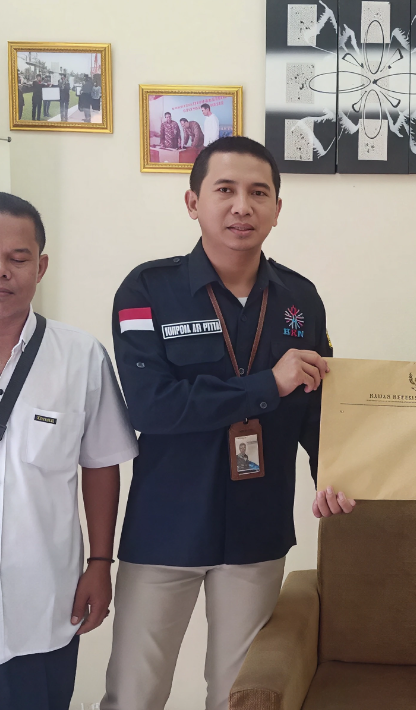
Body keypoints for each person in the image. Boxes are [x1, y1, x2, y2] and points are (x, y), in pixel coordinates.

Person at [101, 137, 354, 710]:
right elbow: (151, 407)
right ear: (193, 202)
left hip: (257, 530)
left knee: (244, 695)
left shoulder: (300, 298)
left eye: (259, 193)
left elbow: (316, 410)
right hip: (166, 528)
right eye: (225, 190)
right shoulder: (147, 290)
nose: (243, 206)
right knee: (134, 695)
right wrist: (266, 385)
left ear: (277, 209)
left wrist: (335, 473)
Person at [0, 192, 138, 710]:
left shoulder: (81, 357)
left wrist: (100, 563)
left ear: (41, 266)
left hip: (42, 602)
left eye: (17, 258)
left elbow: (101, 464)